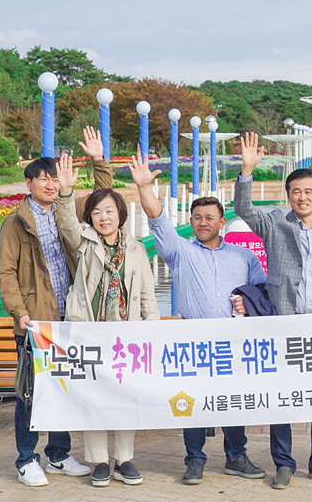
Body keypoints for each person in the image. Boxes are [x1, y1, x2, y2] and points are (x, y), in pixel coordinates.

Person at [129, 153, 269, 486]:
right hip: (194, 338)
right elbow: (158, 219)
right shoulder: (180, 252)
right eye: (197, 218)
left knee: (232, 400)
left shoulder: (245, 256)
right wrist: (144, 187)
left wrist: (248, 302)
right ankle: (194, 459)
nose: (202, 222)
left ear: (222, 222)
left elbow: (263, 292)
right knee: (193, 401)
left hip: (233, 340)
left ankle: (236, 456)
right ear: (191, 223)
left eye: (209, 217)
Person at [0, 127, 112, 488]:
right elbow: (6, 272)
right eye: (43, 179)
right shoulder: (16, 222)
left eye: (54, 178)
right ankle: (26, 459)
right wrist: (19, 313)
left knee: (64, 388)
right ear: (29, 183)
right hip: (35, 321)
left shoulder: (68, 208)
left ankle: (58, 455)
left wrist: (98, 159)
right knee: (30, 394)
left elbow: (103, 198)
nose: (50, 184)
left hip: (69, 317)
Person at [232, 132, 312, 490]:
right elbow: (244, 210)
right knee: (282, 396)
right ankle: (283, 463)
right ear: (288, 196)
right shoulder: (274, 224)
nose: (302, 197)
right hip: (285, 323)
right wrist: (247, 171)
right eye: (296, 191)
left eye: (308, 191)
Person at [58, 152, 160, 489]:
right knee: (94, 398)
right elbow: (67, 224)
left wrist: (153, 333)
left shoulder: (137, 249)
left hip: (127, 336)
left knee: (125, 397)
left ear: (121, 215)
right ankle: (99, 461)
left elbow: (147, 296)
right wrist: (66, 192)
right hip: (89, 333)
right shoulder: (84, 243)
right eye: (97, 212)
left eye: (109, 211)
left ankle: (124, 459)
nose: (104, 218)